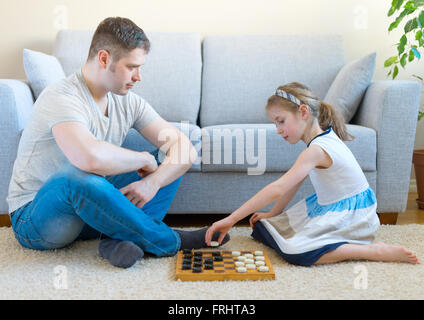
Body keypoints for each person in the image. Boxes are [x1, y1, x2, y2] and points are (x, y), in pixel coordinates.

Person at [7, 17, 228, 269]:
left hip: (88, 210)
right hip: (36, 216)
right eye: (132, 67)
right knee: (75, 176)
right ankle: (169, 240)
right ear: (104, 59)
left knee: (166, 159)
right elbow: (87, 158)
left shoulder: (128, 101)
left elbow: (184, 147)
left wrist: (152, 182)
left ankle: (117, 240)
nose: (139, 76)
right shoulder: (62, 96)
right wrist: (142, 159)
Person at [205, 82, 419, 266]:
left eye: (281, 121)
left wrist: (231, 219)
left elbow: (278, 187)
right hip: (334, 206)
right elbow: (292, 185)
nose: (278, 129)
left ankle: (371, 251)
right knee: (262, 228)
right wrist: (273, 213)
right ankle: (342, 242)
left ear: (304, 112)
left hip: (354, 216)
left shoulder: (317, 150)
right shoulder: (320, 140)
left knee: (296, 252)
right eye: (275, 123)